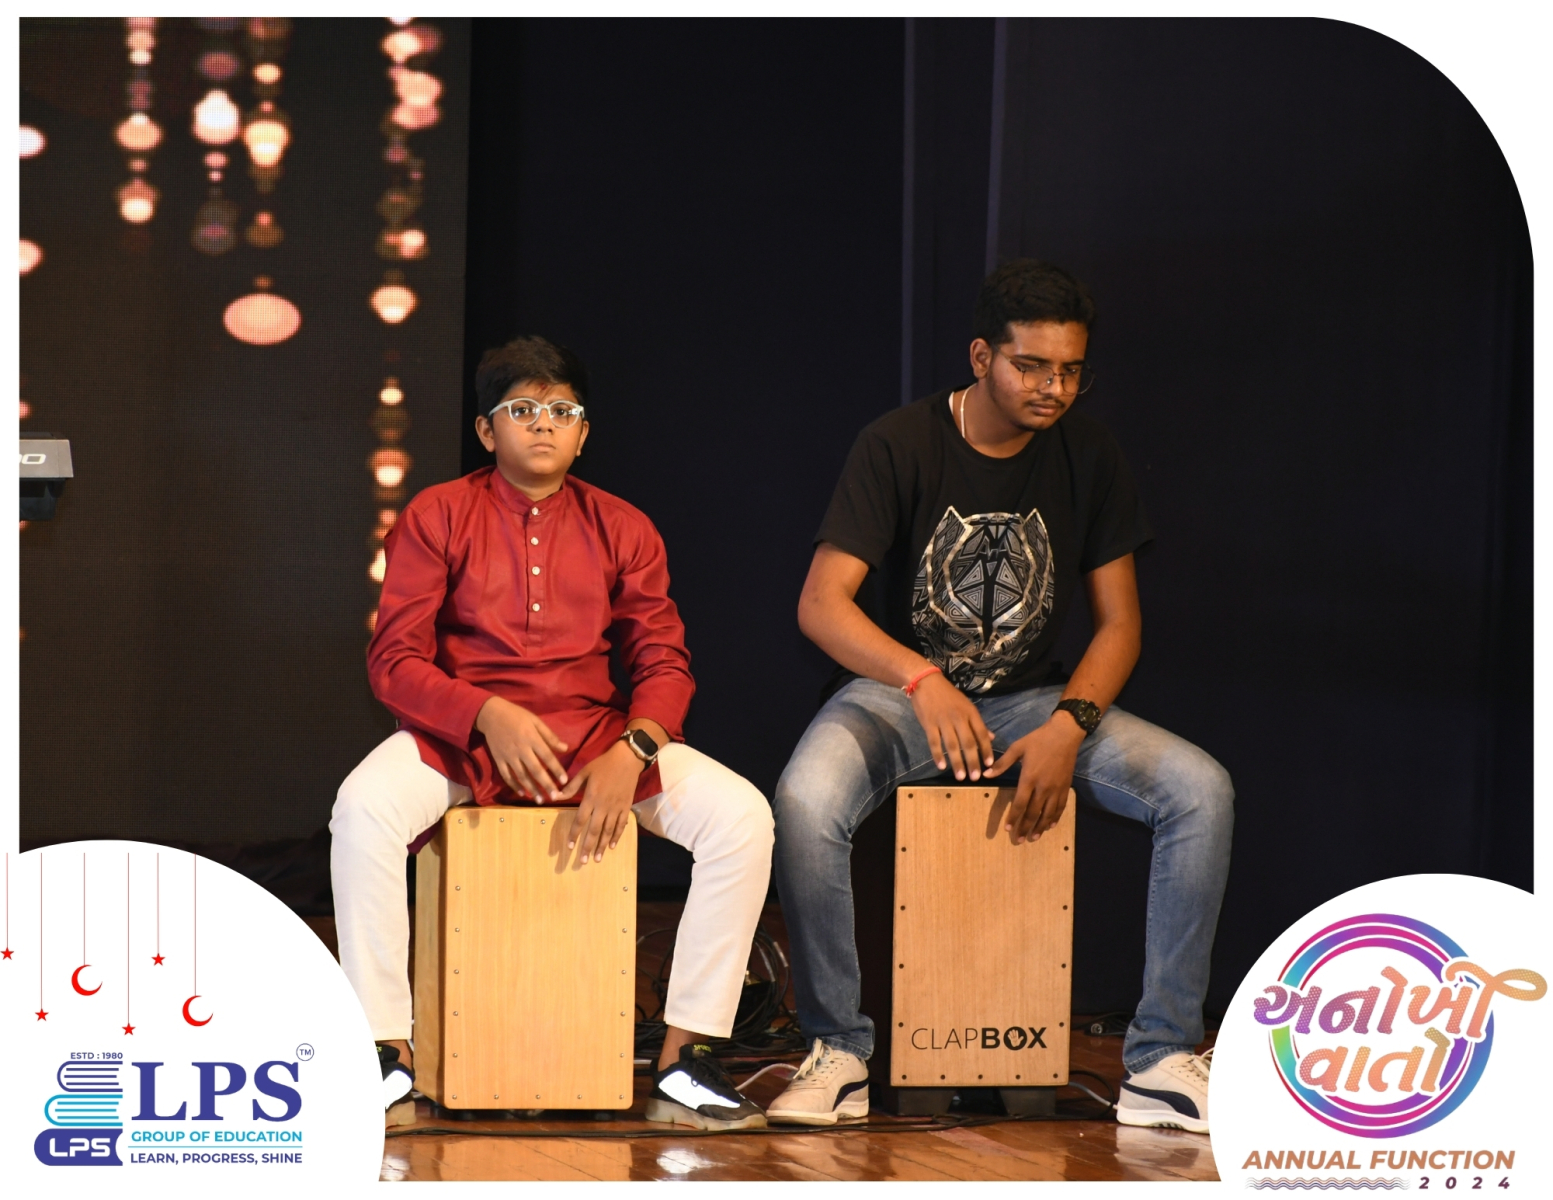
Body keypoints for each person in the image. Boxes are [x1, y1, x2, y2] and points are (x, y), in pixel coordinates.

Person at [766, 260, 1233, 1133]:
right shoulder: (898, 443)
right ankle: (838, 1051)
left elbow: (1120, 625)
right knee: (804, 800)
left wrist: (1069, 724)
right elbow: (821, 605)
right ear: (981, 357)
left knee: (1199, 790)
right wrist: (920, 678)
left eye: (1070, 370)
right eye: (1031, 366)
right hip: (895, 695)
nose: (1053, 388)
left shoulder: (1089, 454)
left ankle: (1160, 1059)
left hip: (1032, 701)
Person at [330, 335, 774, 1131]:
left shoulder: (622, 526)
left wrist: (634, 749)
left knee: (741, 817)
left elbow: (663, 661)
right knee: (363, 808)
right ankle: (383, 1053)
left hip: (594, 740)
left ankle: (686, 1059)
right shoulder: (438, 513)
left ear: (583, 433)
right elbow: (393, 662)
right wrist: (483, 713)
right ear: (485, 430)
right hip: (460, 738)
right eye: (523, 409)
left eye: (562, 412)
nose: (544, 424)